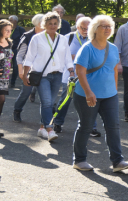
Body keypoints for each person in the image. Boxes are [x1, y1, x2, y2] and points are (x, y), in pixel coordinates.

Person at [69, 15, 128, 173]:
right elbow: (80, 72)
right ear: (95, 29)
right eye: (103, 26)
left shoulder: (113, 48)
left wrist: (114, 90)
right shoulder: (87, 48)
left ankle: (118, 161)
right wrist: (88, 92)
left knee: (113, 127)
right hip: (87, 95)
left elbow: (114, 70)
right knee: (86, 126)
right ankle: (79, 160)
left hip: (109, 95)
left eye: (109, 26)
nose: (107, 29)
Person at [21, 12, 75, 142]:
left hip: (58, 75)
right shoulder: (37, 38)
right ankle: (50, 129)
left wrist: (71, 70)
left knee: (50, 103)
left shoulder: (62, 39)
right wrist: (24, 75)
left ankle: (41, 128)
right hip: (42, 75)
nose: (53, 26)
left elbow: (67, 57)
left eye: (55, 23)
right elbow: (29, 58)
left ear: (59, 25)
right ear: (44, 24)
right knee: (46, 102)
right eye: (50, 23)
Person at [54, 16, 94, 136]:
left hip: (88, 76)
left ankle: (91, 127)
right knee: (66, 99)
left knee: (90, 100)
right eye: (83, 28)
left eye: (88, 28)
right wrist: (75, 57)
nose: (86, 31)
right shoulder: (68, 38)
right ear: (77, 27)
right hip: (71, 75)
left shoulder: (93, 38)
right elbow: (58, 55)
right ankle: (57, 122)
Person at [13, 14, 45, 123]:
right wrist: (21, 71)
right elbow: (19, 56)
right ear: (38, 24)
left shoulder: (48, 36)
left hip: (44, 70)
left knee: (46, 95)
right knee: (26, 93)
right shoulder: (27, 36)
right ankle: (17, 110)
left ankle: (48, 118)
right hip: (30, 70)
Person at [8, 15, 25, 88]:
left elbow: (24, 40)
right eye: (9, 20)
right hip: (7, 50)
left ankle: (12, 82)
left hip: (16, 50)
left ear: (15, 21)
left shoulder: (20, 30)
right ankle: (4, 81)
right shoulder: (7, 29)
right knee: (6, 66)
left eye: (11, 20)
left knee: (15, 67)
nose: (9, 21)